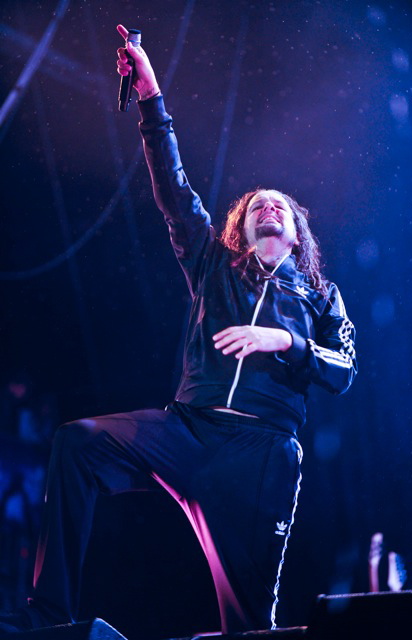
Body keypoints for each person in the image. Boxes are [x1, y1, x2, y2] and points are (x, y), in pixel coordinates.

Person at [0, 24, 357, 636]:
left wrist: (287, 341)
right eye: (257, 203)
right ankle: (48, 616)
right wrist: (150, 96)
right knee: (76, 443)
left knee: (248, 622)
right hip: (187, 431)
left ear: (298, 234)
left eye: (280, 204)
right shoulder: (212, 262)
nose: (268, 205)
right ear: (239, 227)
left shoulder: (321, 296)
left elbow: (344, 370)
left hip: (260, 455)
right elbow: (173, 187)